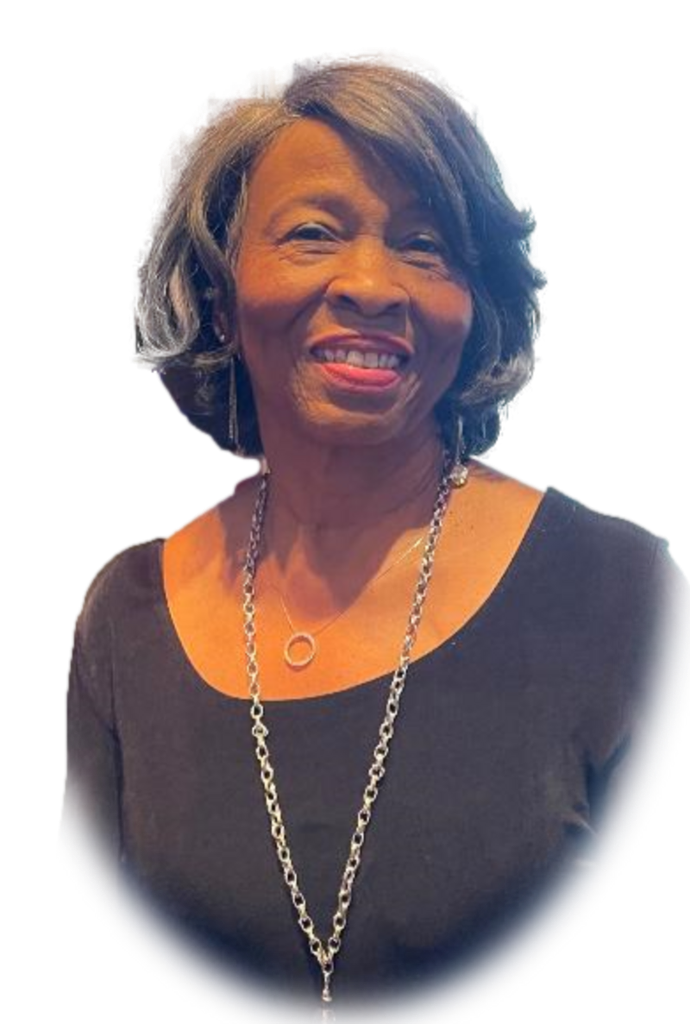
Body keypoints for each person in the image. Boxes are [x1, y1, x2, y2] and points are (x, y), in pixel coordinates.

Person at [60, 51, 689, 1023]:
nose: (372, 284)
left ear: (469, 307)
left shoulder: (621, 591)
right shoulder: (125, 617)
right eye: (314, 231)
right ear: (220, 294)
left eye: (425, 246)